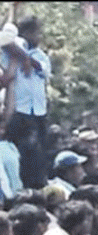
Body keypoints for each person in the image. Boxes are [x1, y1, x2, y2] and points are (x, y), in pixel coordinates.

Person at [2, 17, 51, 189]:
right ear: (26, 34)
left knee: (39, 153)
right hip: (18, 111)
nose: (38, 37)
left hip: (38, 112)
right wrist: (22, 57)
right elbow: (8, 43)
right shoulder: (9, 54)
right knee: (19, 152)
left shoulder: (41, 56)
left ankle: (38, 184)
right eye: (35, 33)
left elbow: (41, 69)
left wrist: (27, 59)